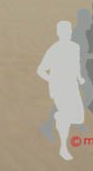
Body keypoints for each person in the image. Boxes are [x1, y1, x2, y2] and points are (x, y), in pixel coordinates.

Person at [37, 21, 86, 161]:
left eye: (69, 30)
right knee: (67, 115)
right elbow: (40, 70)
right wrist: (52, 80)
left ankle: (59, 117)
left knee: (78, 117)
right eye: (65, 31)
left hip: (72, 86)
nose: (68, 33)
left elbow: (76, 65)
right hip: (59, 88)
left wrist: (80, 77)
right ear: (59, 33)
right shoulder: (54, 50)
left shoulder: (75, 47)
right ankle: (63, 148)